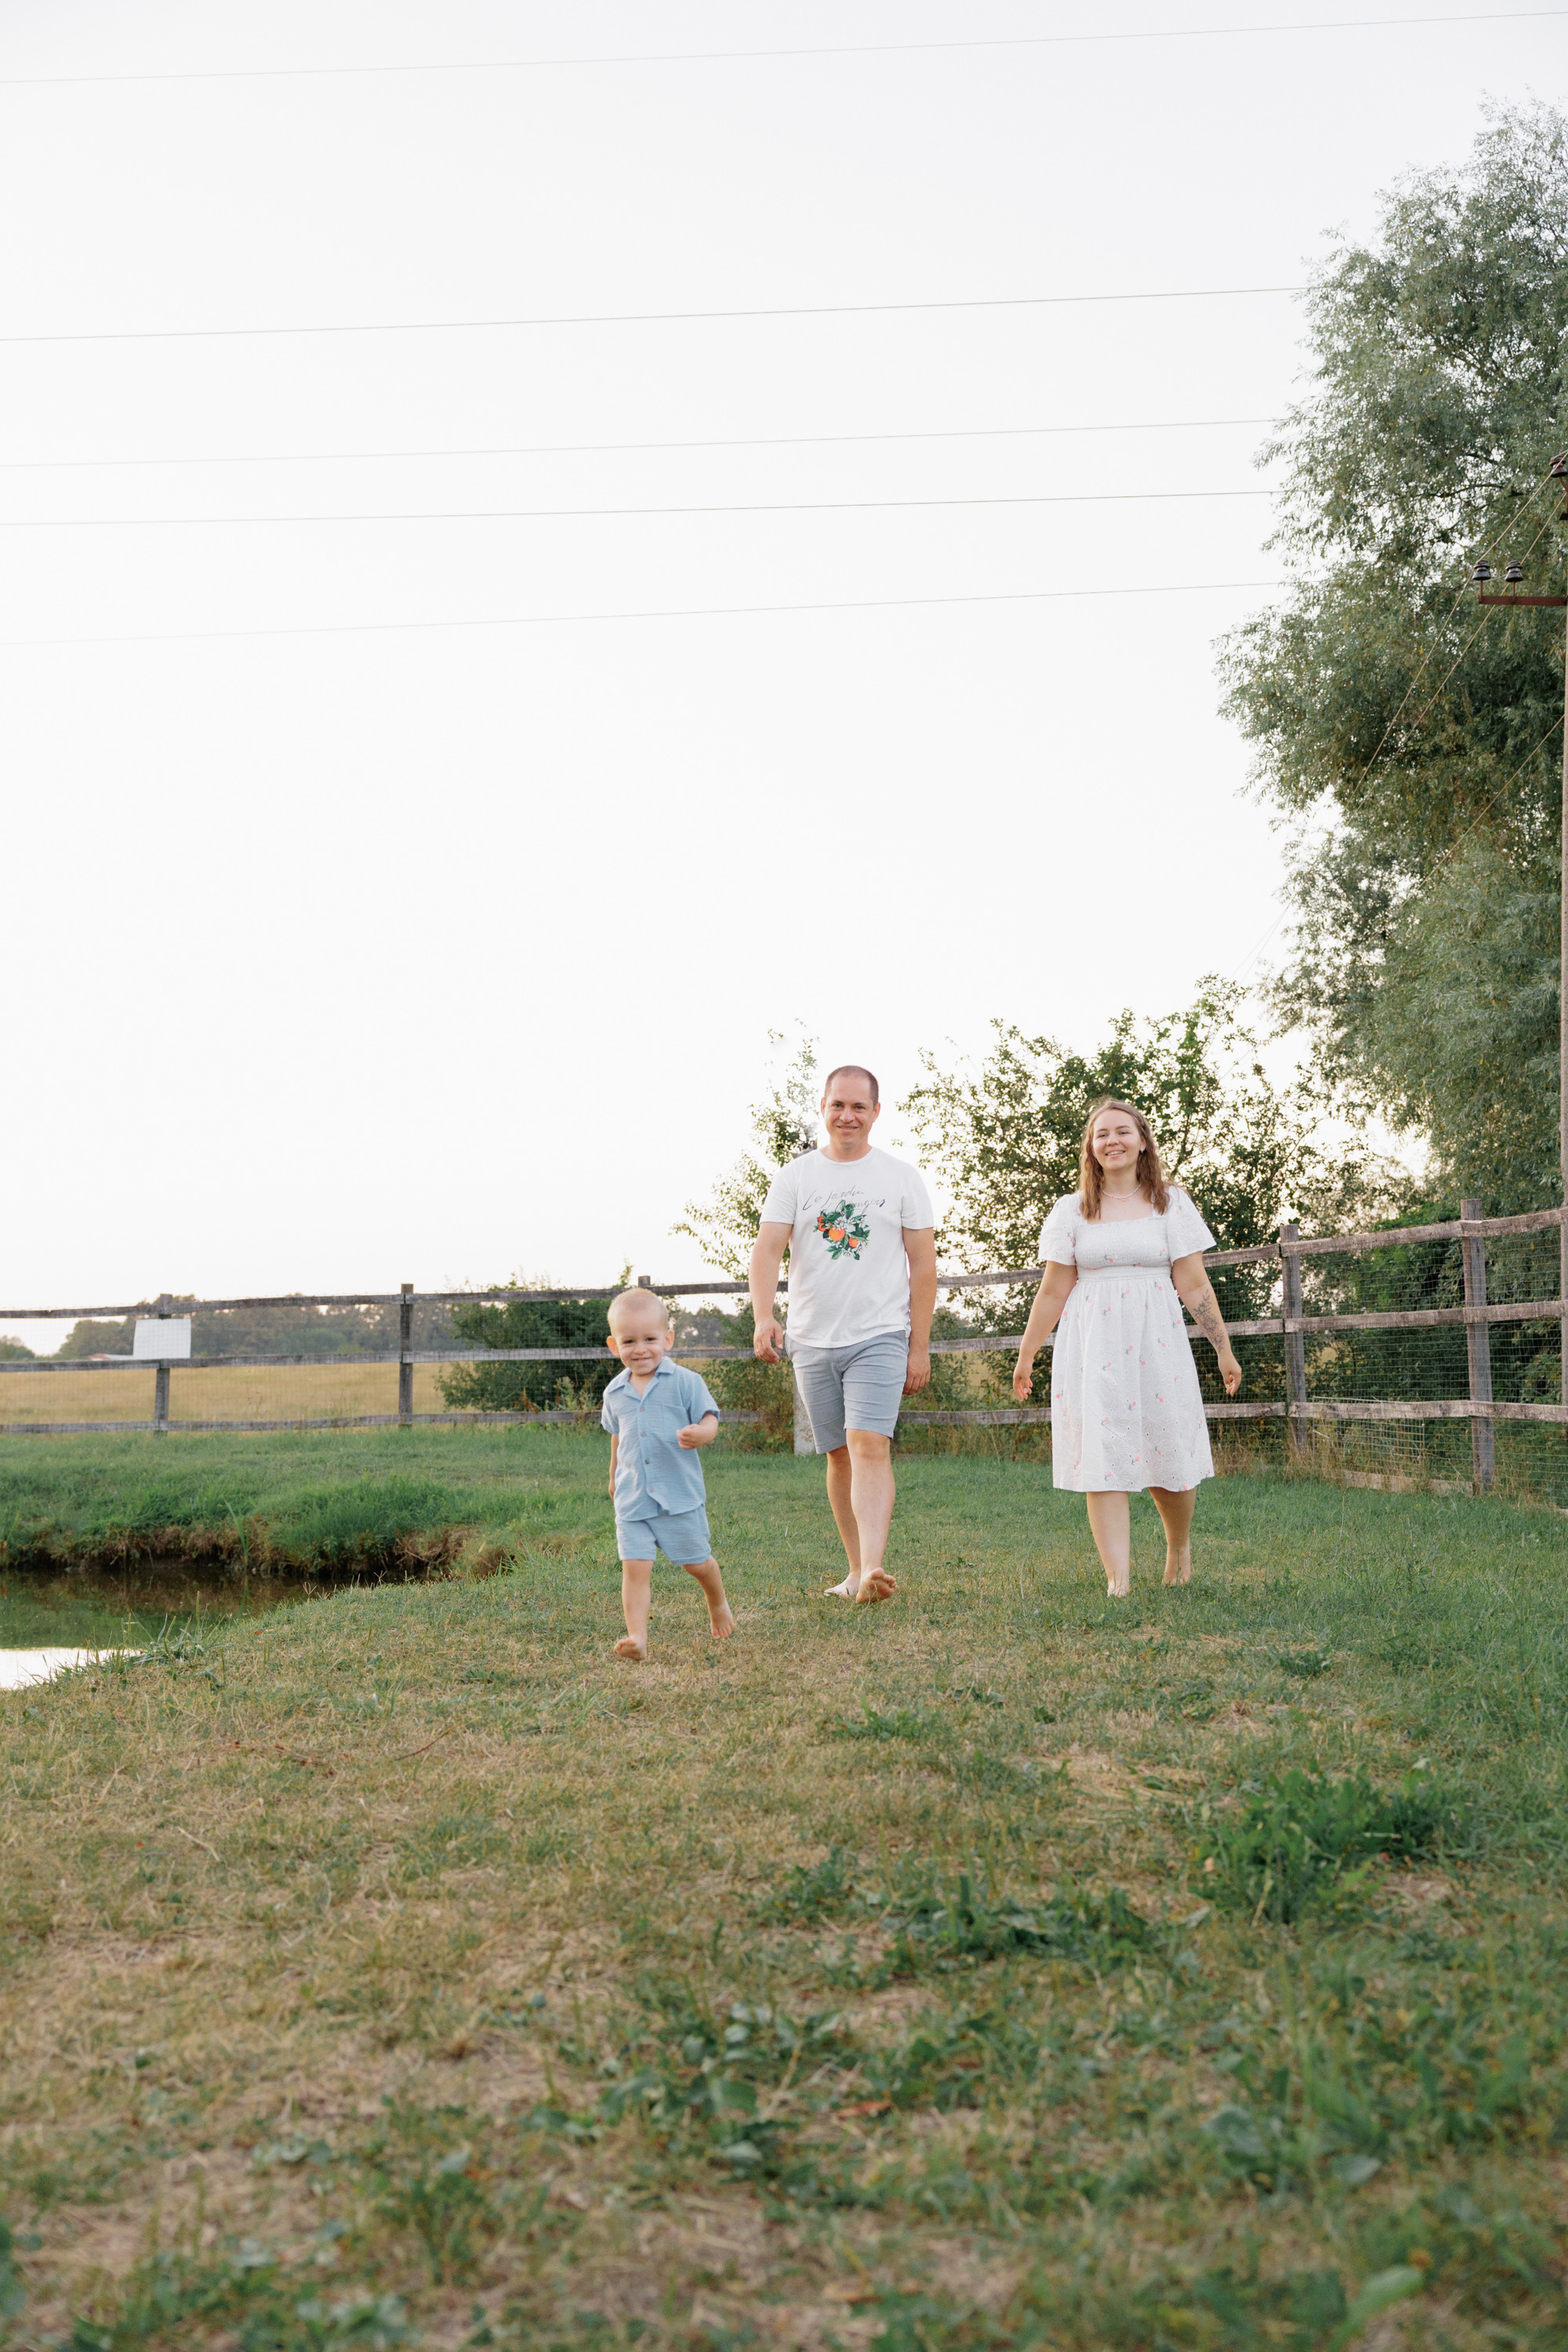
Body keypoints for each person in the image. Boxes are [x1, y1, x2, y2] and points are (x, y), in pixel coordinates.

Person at [1011, 1098, 1242, 1598]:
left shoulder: (1171, 1204)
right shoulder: (1070, 1211)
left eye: (1122, 1132)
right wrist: (1028, 1352)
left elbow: (1195, 1284)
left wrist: (1223, 1348)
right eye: (1101, 1135)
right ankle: (1118, 1578)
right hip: (1092, 1343)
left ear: (1142, 1141)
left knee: (1169, 1450)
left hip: (1156, 1338)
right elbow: (1053, 1288)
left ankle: (1178, 1548)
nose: (1111, 1141)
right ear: (1090, 1149)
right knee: (1103, 1453)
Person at [750, 1063, 936, 1603]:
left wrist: (917, 1345)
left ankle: (876, 1567)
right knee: (837, 1453)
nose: (848, 1115)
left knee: (868, 1444)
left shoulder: (901, 1177)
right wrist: (765, 1315)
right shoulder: (795, 1177)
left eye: (859, 1106)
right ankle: (856, 1572)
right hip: (811, 1338)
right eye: (838, 1105)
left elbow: (922, 1265)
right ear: (824, 1108)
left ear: (877, 1112)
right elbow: (768, 1249)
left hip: (880, 1333)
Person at [601, 1287, 735, 1659]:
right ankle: (637, 1638)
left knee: (697, 1563)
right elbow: (618, 1437)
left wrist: (702, 1434)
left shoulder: (686, 1382)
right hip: (633, 1497)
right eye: (629, 1341)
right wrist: (613, 1475)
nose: (640, 1348)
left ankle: (717, 1600)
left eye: (650, 1339)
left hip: (678, 1495)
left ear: (668, 1339)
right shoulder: (614, 1393)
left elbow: (711, 1418)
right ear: (615, 1345)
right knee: (635, 1567)